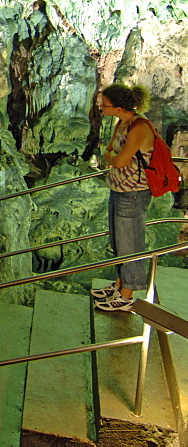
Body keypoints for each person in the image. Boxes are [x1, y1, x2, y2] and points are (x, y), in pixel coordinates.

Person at [93, 83, 155, 311]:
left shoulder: (139, 128)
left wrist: (111, 156)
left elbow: (118, 160)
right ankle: (120, 284)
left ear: (118, 108)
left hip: (134, 193)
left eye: (104, 105)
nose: (101, 108)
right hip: (118, 189)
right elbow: (107, 150)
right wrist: (111, 155)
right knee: (117, 242)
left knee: (130, 243)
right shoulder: (122, 123)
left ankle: (127, 295)